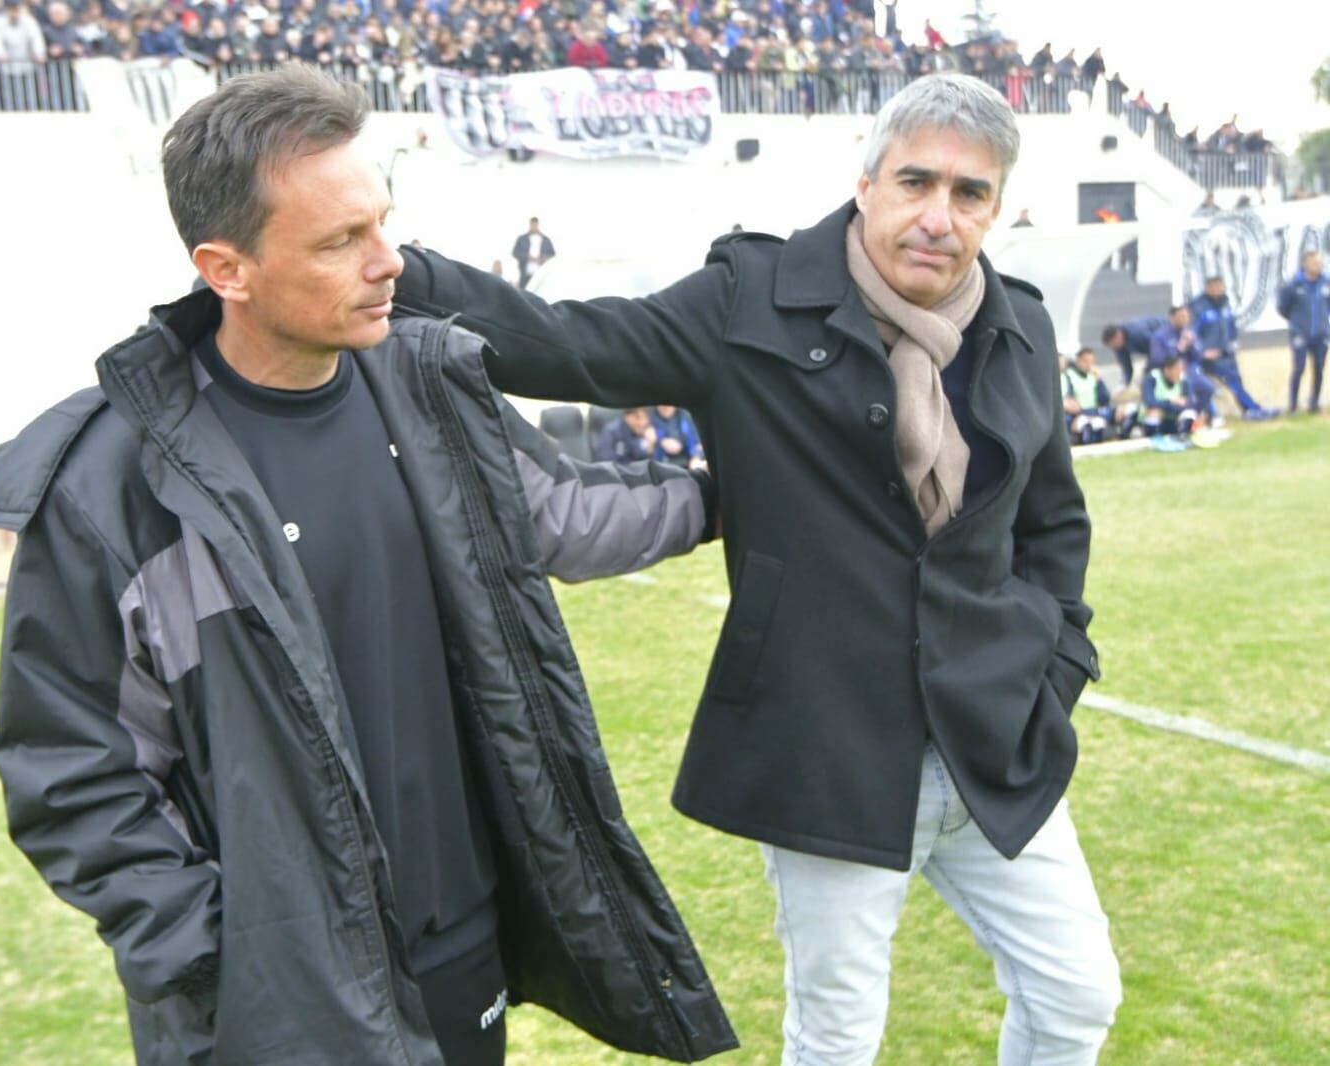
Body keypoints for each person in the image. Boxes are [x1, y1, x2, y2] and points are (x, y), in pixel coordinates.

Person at [0, 67, 735, 1066]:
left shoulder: (425, 389)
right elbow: (75, 772)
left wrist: (746, 492)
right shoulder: (112, 485)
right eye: (341, 241)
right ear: (226, 268)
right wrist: (222, 958)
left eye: (384, 223)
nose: (391, 263)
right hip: (282, 1006)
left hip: (464, 953)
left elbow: (570, 517)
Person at [395, 73, 1121, 1064]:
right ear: (865, 183)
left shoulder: (1020, 325)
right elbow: (571, 347)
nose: (939, 217)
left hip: (998, 742)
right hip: (831, 751)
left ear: (997, 206)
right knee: (836, 1036)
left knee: (1079, 994)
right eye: (916, 182)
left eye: (970, 194)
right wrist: (394, 266)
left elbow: (1053, 526)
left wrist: (1054, 670)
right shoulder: (749, 301)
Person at [1189, 276, 1279, 421]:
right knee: (1230, 380)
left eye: (1220, 286)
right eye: (1214, 286)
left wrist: (1232, 344)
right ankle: (1252, 409)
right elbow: (1191, 334)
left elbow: (1231, 328)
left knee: (1236, 381)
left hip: (1226, 354)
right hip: (1207, 358)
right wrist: (1203, 352)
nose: (1217, 289)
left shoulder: (1225, 304)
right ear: (1208, 287)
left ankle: (1249, 410)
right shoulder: (1198, 308)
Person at [1276, 249, 1329, 414]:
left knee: (1319, 368)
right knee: (1299, 368)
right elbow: (1283, 308)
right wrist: (1297, 323)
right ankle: (1293, 405)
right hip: (1300, 334)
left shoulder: (1326, 283)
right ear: (1305, 264)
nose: (1318, 266)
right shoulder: (1293, 285)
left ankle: (1313, 403)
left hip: (1321, 334)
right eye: (1314, 263)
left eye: (1320, 263)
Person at [1140, 356, 1200, 451]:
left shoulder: (1183, 380)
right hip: (1156, 418)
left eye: (1181, 369)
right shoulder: (1152, 378)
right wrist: (1170, 402)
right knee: (1155, 411)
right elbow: (1149, 401)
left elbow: (1190, 403)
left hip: (1174, 418)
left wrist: (1175, 407)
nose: (1180, 372)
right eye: (1177, 369)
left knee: (1189, 413)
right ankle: (1155, 439)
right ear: (1167, 370)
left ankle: (1182, 436)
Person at [1060, 348, 1114, 444]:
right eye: (1085, 361)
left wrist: (1099, 380)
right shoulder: (1069, 376)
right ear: (1078, 361)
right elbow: (1070, 401)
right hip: (1078, 414)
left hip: (1094, 412)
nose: (1089, 365)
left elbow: (1105, 399)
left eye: (1092, 362)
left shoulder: (1094, 377)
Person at [1100, 314, 1164, 388]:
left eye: (1114, 345)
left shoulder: (1137, 333)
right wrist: (1125, 384)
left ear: (1118, 335)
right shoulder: (1118, 346)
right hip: (1153, 345)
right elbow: (1126, 366)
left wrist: (1147, 370)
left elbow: (1156, 350)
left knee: (1155, 371)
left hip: (1164, 334)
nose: (1114, 348)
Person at [651, 405, 709, 469]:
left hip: (688, 462)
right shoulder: (651, 419)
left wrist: (696, 457)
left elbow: (699, 443)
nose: (665, 407)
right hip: (662, 464)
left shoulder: (686, 415)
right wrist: (659, 441)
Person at [511, 216, 555, 289]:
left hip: (540, 274)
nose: (534, 226)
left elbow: (552, 255)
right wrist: (526, 257)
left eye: (535, 224)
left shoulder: (546, 240)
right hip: (525, 273)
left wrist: (543, 258)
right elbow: (515, 252)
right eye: (532, 224)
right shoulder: (522, 239)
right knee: (524, 293)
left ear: (538, 225)